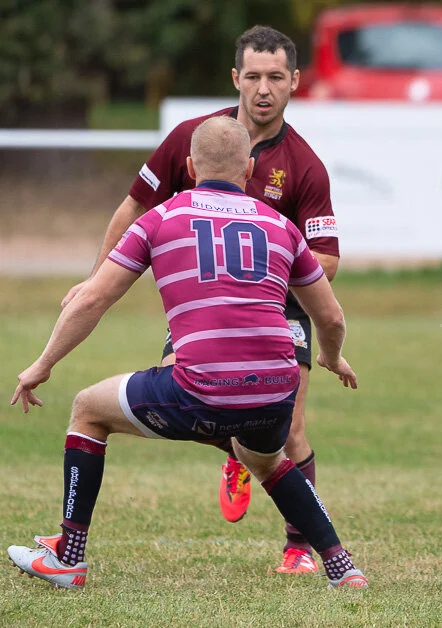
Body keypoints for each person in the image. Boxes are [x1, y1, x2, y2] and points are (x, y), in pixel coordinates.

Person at [8, 117, 366, 590]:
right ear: (250, 169)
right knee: (267, 460)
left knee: (87, 410)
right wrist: (331, 357)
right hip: (276, 392)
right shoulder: (282, 227)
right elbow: (332, 318)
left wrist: (43, 364)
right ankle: (342, 567)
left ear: (192, 167)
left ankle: (69, 557)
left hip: (200, 388)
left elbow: (94, 298)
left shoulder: (160, 219)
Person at [60, 25, 338, 574]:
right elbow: (133, 209)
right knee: (187, 389)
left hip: (276, 309)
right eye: (253, 76)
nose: (263, 89)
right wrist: (94, 278)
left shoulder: (305, 165)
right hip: (204, 306)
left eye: (276, 77)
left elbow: (326, 258)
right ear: (236, 77)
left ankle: (297, 549)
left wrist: (255, 282)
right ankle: (239, 450)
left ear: (295, 82)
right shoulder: (194, 138)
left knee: (294, 426)